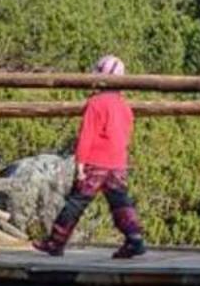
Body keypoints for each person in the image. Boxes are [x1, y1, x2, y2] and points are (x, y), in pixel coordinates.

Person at [32, 55, 147, 259]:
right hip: (117, 163)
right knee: (120, 201)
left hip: (96, 162)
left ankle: (56, 242)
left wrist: (80, 164)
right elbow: (126, 135)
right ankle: (134, 238)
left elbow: (87, 135)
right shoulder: (125, 106)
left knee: (76, 202)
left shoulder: (95, 103)